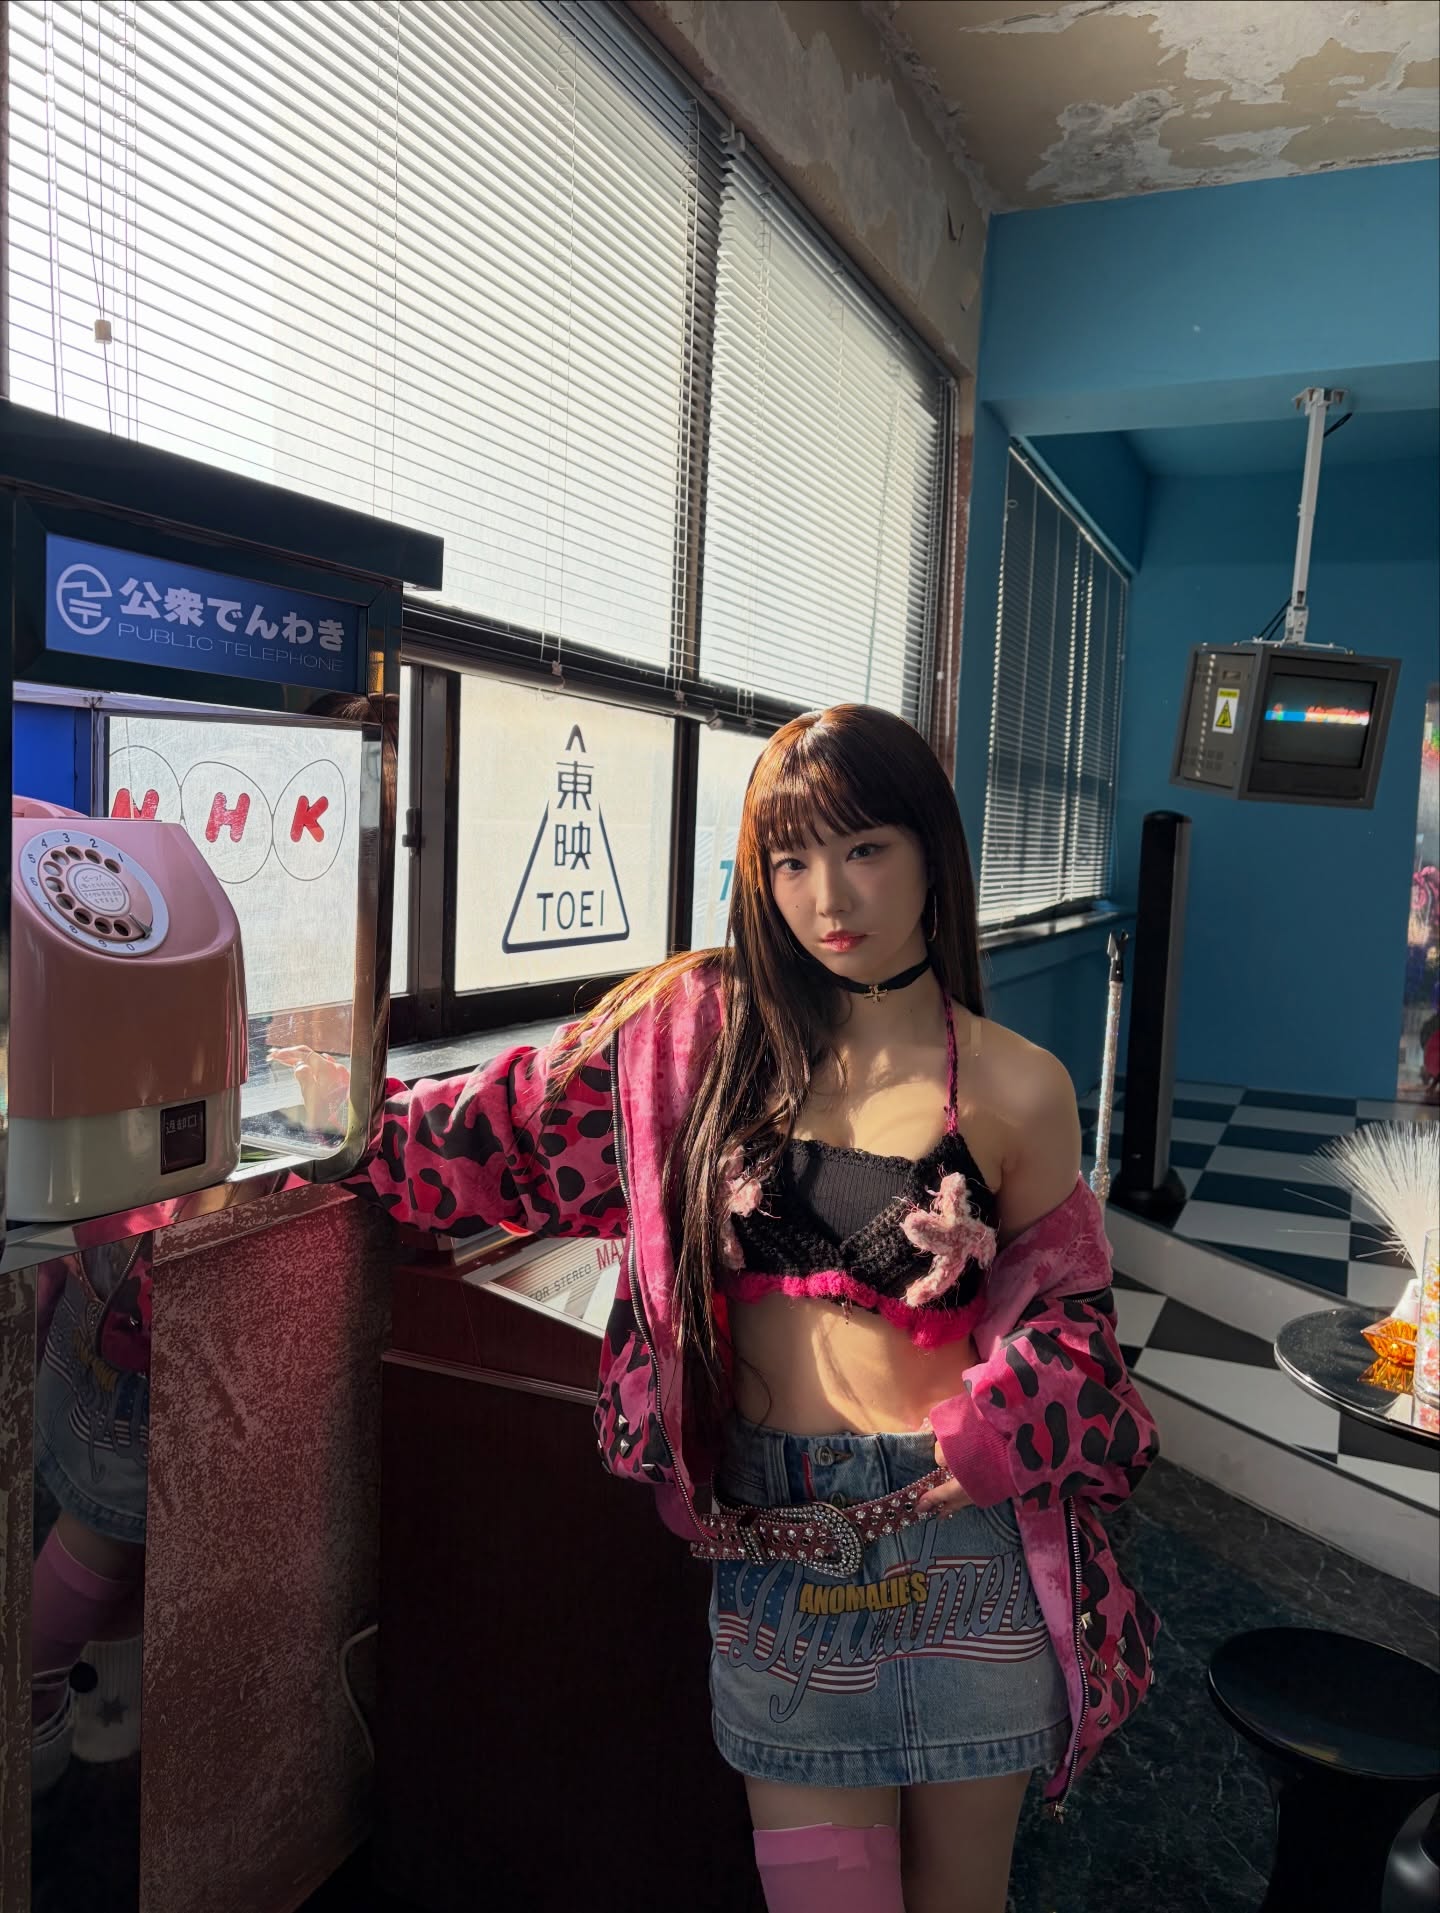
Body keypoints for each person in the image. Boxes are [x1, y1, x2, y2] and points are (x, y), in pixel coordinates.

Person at [277, 703, 1159, 1913]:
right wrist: (322, 1119)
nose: (826, 895)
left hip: (957, 1550)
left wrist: (996, 1427)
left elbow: (1075, 1322)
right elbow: (510, 1129)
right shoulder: (699, 1040)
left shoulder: (1019, 1083)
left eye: (864, 849)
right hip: (778, 1548)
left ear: (931, 854)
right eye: (789, 861)